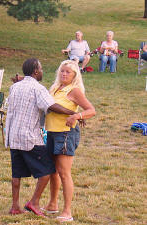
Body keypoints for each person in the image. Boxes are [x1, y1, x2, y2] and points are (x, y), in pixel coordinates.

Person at [5, 58, 79, 217]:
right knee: (47, 171)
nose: (42, 71)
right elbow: (51, 106)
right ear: (36, 71)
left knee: (16, 174)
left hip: (13, 136)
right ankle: (34, 202)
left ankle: (15, 206)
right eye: (41, 68)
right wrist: (74, 113)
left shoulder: (14, 87)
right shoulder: (38, 89)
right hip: (30, 137)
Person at [43, 60, 96, 222]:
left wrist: (76, 116)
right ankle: (52, 204)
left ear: (74, 76)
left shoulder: (75, 91)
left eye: (68, 72)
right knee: (52, 170)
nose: (64, 74)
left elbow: (91, 110)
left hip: (66, 133)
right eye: (62, 71)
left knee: (64, 172)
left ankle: (67, 211)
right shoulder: (55, 88)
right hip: (51, 132)